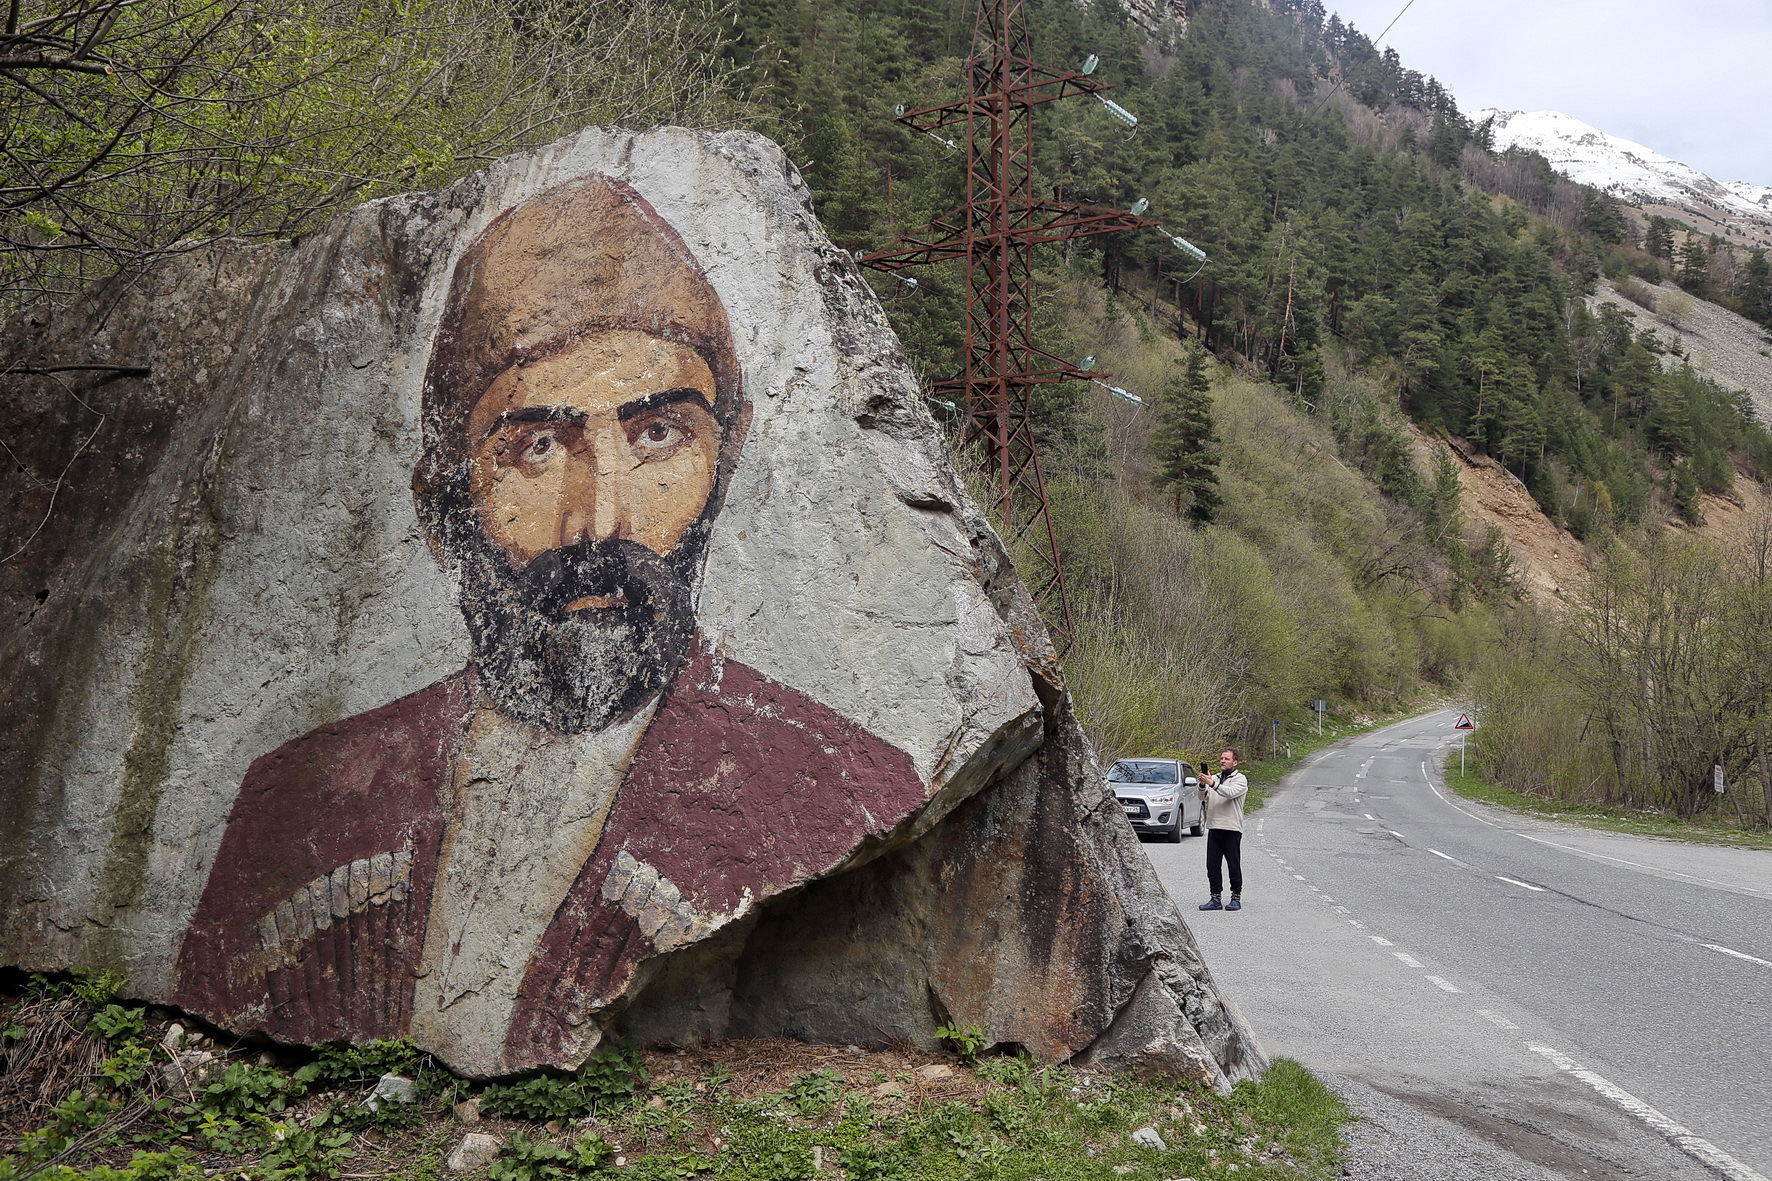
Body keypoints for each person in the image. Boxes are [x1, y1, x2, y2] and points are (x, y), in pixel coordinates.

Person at [172, 175, 927, 1076]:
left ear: (727, 461)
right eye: (534, 446)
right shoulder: (300, 805)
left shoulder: (843, 793)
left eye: (657, 435)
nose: (600, 519)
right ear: (442, 501)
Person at [1197, 747, 1248, 912]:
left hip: (1232, 828)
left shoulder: (1240, 779)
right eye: (1221, 758)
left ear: (1235, 762)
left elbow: (1230, 793)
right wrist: (1203, 784)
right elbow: (1202, 797)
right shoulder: (1216, 778)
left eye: (1226, 759)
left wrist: (1212, 783)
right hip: (1214, 826)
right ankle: (1215, 898)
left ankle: (1236, 898)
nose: (1222, 761)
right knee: (1212, 865)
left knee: (1233, 865)